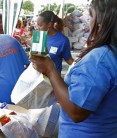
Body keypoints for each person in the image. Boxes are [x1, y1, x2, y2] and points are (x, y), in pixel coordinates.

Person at [30, 0, 117, 137]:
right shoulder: (111, 53)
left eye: (90, 15)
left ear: (100, 20)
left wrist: (50, 70)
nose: (88, 20)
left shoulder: (99, 60)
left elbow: (76, 111)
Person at [36, 11, 74, 75]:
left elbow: (68, 59)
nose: (38, 28)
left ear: (49, 24)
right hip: (38, 78)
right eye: (37, 25)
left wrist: (79, 67)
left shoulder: (62, 40)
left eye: (40, 25)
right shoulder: (38, 36)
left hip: (53, 80)